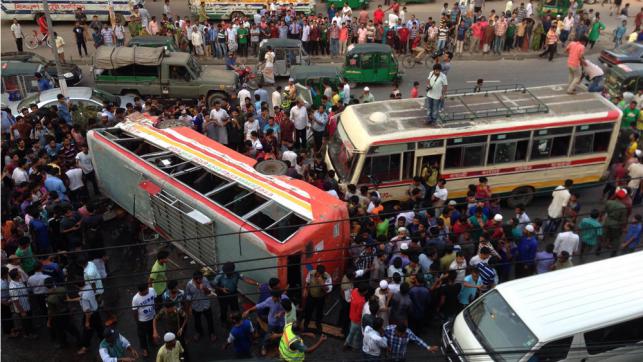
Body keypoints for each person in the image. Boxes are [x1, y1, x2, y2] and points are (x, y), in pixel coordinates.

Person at [185, 270, 216, 342]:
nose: (199, 280)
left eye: (200, 278)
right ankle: (199, 332)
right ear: (193, 278)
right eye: (196, 279)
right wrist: (188, 308)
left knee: (209, 320)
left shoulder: (205, 280)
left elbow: (209, 292)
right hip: (196, 306)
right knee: (197, 321)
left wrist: (204, 288)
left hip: (206, 304)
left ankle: (212, 333)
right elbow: (188, 296)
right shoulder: (189, 284)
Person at [303, 264, 333, 333]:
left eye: (320, 274)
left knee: (319, 312)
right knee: (308, 310)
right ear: (316, 271)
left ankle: (318, 324)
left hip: (320, 297)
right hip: (311, 295)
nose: (318, 276)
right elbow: (307, 281)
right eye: (318, 274)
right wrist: (305, 289)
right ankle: (306, 323)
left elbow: (329, 289)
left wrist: (323, 284)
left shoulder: (327, 277)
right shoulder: (311, 273)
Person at [132, 284, 157, 357]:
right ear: (140, 291)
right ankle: (145, 349)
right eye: (145, 292)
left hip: (152, 317)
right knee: (142, 336)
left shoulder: (151, 290)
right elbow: (135, 312)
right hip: (142, 321)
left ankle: (152, 342)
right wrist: (137, 321)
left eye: (147, 290)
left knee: (151, 331)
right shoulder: (135, 299)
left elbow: (155, 299)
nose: (147, 292)